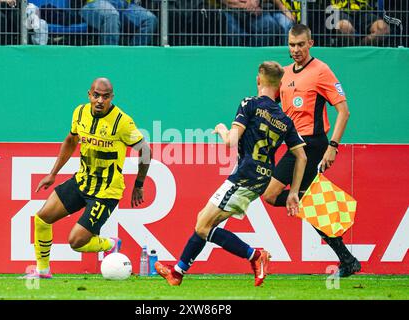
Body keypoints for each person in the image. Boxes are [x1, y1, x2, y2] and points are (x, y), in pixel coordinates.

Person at [154, 61, 307, 286]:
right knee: (204, 223)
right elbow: (302, 156)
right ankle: (177, 273)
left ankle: (255, 256)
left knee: (202, 226)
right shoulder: (285, 120)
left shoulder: (250, 104)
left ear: (258, 80)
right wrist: (293, 192)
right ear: (279, 85)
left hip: (245, 175)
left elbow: (230, 142)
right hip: (262, 177)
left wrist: (221, 129)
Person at [24, 77, 151, 279]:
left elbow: (145, 151)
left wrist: (139, 185)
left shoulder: (122, 122)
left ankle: (110, 243)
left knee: (75, 242)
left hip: (106, 191)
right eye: (96, 95)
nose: (100, 100)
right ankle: (43, 271)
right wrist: (52, 174)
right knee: (42, 218)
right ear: (89, 95)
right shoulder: (80, 112)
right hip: (82, 181)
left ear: (112, 97)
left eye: (105, 96)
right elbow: (71, 140)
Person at [262, 24, 361, 277]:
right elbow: (273, 106)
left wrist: (333, 147)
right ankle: (347, 259)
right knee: (305, 200)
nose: (295, 50)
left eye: (301, 45)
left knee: (272, 195)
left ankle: (346, 256)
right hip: (294, 143)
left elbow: (344, 111)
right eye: (292, 45)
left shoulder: (321, 71)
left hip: (311, 144)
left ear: (311, 43)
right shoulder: (284, 74)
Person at [77, 0, 158, 45]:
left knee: (150, 19)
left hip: (126, 6)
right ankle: (110, 55)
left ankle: (134, 56)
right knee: (111, 14)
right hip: (97, 3)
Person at [208, 0, 283, 46]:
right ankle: (237, 57)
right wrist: (245, 6)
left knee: (270, 25)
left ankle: (254, 55)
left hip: (254, 10)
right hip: (229, 10)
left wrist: (255, 3)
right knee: (233, 30)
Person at [322, 0, 390, 46]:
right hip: (339, 10)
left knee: (383, 30)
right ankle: (351, 53)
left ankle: (360, 48)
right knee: (344, 27)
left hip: (365, 11)